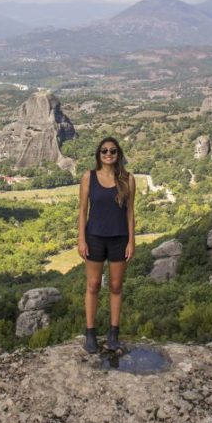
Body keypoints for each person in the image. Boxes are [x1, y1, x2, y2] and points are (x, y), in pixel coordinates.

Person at [77, 136, 136, 353]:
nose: (108, 154)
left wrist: (132, 240)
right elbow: (83, 211)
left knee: (116, 287)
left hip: (119, 238)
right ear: (99, 155)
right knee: (92, 286)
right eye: (104, 151)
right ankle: (90, 333)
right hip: (94, 237)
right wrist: (81, 238)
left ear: (118, 154)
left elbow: (130, 213)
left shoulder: (128, 179)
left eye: (113, 151)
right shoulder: (88, 177)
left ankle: (113, 333)